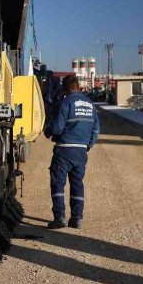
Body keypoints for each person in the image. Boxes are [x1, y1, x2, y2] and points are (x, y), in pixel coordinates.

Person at [46, 76, 100, 230]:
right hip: (81, 151)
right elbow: (96, 129)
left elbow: (57, 128)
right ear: (78, 87)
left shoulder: (66, 103)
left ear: (65, 88)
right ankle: (77, 218)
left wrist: (48, 131)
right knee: (77, 184)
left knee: (58, 182)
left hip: (64, 149)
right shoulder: (90, 104)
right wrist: (87, 146)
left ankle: (59, 217)